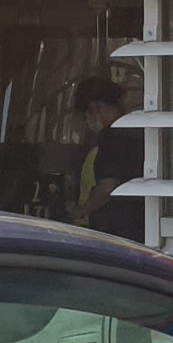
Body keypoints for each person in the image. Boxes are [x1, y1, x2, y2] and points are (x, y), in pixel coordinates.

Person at [71, 76, 147, 240]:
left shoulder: (112, 136)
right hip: (141, 225)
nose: (88, 122)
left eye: (86, 116)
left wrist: (80, 212)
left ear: (96, 108)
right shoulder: (135, 131)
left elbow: (107, 188)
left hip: (119, 230)